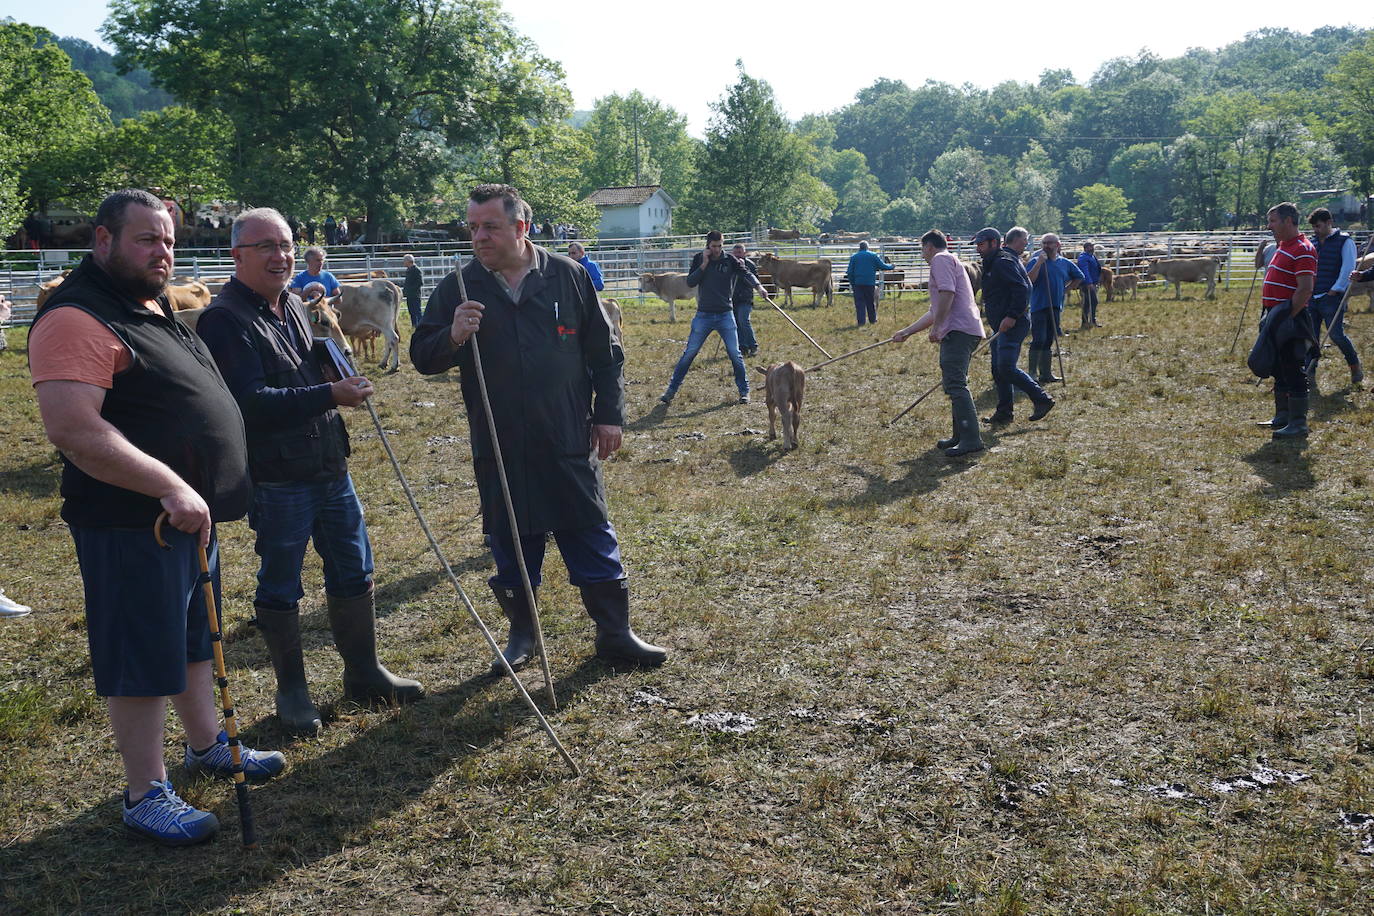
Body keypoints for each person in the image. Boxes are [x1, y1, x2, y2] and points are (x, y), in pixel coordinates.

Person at [28, 189, 284, 847]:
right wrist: (169, 483)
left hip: (185, 519)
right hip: (130, 522)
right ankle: (145, 792)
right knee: (141, 656)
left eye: (167, 240)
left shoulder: (149, 304)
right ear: (103, 240)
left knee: (195, 638)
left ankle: (207, 745)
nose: (162, 252)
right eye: (146, 239)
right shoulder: (76, 317)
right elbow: (75, 429)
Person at [410, 183, 666, 672]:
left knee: (590, 533)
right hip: (499, 442)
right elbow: (423, 356)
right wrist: (453, 335)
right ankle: (522, 637)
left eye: (490, 226)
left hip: (567, 434)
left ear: (521, 228)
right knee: (511, 545)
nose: (479, 237)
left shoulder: (567, 277)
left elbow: (606, 355)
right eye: (472, 227)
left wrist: (610, 415)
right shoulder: (460, 288)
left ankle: (616, 634)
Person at [197, 208, 423, 736]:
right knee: (281, 579)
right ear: (237, 256)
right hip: (277, 477)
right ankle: (292, 691)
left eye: (286, 245)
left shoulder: (297, 306)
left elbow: (298, 374)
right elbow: (247, 401)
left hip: (328, 462)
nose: (281, 256)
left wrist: (329, 373)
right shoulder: (223, 319)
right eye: (266, 247)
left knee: (354, 565)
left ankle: (364, 674)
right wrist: (328, 392)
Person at [893, 230, 987, 457]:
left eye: (922, 248)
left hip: (958, 330)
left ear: (929, 246)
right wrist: (907, 332)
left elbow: (947, 294)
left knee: (955, 384)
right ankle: (960, 435)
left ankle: (971, 439)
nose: (922, 254)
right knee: (954, 383)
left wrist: (938, 328)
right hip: (962, 329)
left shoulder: (940, 259)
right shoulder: (948, 259)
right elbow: (935, 310)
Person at [659, 230, 766, 405]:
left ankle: (744, 392)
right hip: (704, 315)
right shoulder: (699, 259)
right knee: (689, 353)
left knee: (735, 354)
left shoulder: (730, 260)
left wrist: (759, 287)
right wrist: (704, 264)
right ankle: (671, 390)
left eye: (720, 246)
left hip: (725, 314)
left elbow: (747, 273)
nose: (717, 249)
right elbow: (690, 282)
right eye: (714, 246)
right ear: (708, 245)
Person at [973, 227, 1054, 426]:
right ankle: (1004, 412)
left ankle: (1042, 399)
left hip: (1012, 324)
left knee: (1006, 368)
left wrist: (1011, 316)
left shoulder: (1003, 262)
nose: (978, 249)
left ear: (994, 242)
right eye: (977, 245)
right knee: (998, 369)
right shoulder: (994, 262)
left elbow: (1023, 288)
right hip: (999, 324)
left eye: (982, 244)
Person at [1258, 202, 1318, 438]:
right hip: (1275, 315)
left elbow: (1305, 289)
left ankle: (1298, 423)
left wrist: (1285, 318)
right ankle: (1282, 416)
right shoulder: (1284, 246)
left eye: (1273, 221)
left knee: (1293, 368)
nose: (1269, 225)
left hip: (1291, 318)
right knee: (1279, 366)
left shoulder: (1302, 248)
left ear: (1288, 221)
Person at [1303, 207, 1361, 390]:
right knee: (1310, 337)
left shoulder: (1344, 241)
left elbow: (1348, 268)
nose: (1316, 230)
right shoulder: (1312, 243)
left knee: (1336, 335)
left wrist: (1335, 290)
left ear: (1329, 223)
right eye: (1313, 227)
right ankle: (1309, 374)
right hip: (1312, 296)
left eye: (1318, 226)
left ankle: (1354, 366)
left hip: (1331, 297)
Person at [1025, 233, 1083, 384]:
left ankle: (1046, 373)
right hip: (1039, 306)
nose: (1046, 246)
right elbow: (1028, 280)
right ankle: (1032, 373)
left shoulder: (1065, 263)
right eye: (1044, 243)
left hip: (1056, 306)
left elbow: (1079, 276)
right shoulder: (1035, 261)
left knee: (1049, 339)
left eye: (1050, 243)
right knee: (1039, 339)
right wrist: (1038, 264)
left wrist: (1066, 290)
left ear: (1058, 245)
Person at [846, 240, 895, 327]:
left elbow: (849, 272)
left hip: (858, 283)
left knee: (859, 303)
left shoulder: (854, 257)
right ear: (867, 247)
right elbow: (882, 266)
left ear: (859, 248)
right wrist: (891, 266)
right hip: (869, 283)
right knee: (870, 302)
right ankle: (872, 320)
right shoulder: (873, 255)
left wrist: (852, 282)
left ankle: (861, 322)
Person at [730, 242, 761, 357]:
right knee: (735, 323)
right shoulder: (730, 264)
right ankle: (742, 346)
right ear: (732, 254)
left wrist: (743, 268)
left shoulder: (750, 265)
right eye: (735, 253)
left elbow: (753, 282)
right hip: (732, 298)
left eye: (740, 252)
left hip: (745, 298)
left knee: (744, 320)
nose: (738, 255)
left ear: (744, 253)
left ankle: (753, 346)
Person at [1076, 241, 1102, 329]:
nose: (1093, 248)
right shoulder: (1083, 258)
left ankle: (1087, 322)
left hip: (1093, 282)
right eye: (1091, 246)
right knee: (1093, 301)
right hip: (1087, 284)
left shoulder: (1091, 256)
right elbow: (1085, 270)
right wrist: (1089, 282)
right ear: (1086, 248)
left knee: (1088, 302)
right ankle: (1090, 321)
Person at [403, 253, 424, 329]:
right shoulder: (409, 270)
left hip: (415, 295)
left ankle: (420, 326)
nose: (403, 262)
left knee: (417, 311)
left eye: (404, 261)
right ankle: (414, 325)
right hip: (410, 295)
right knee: (411, 311)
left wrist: (410, 290)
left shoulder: (416, 270)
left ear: (409, 261)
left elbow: (420, 282)